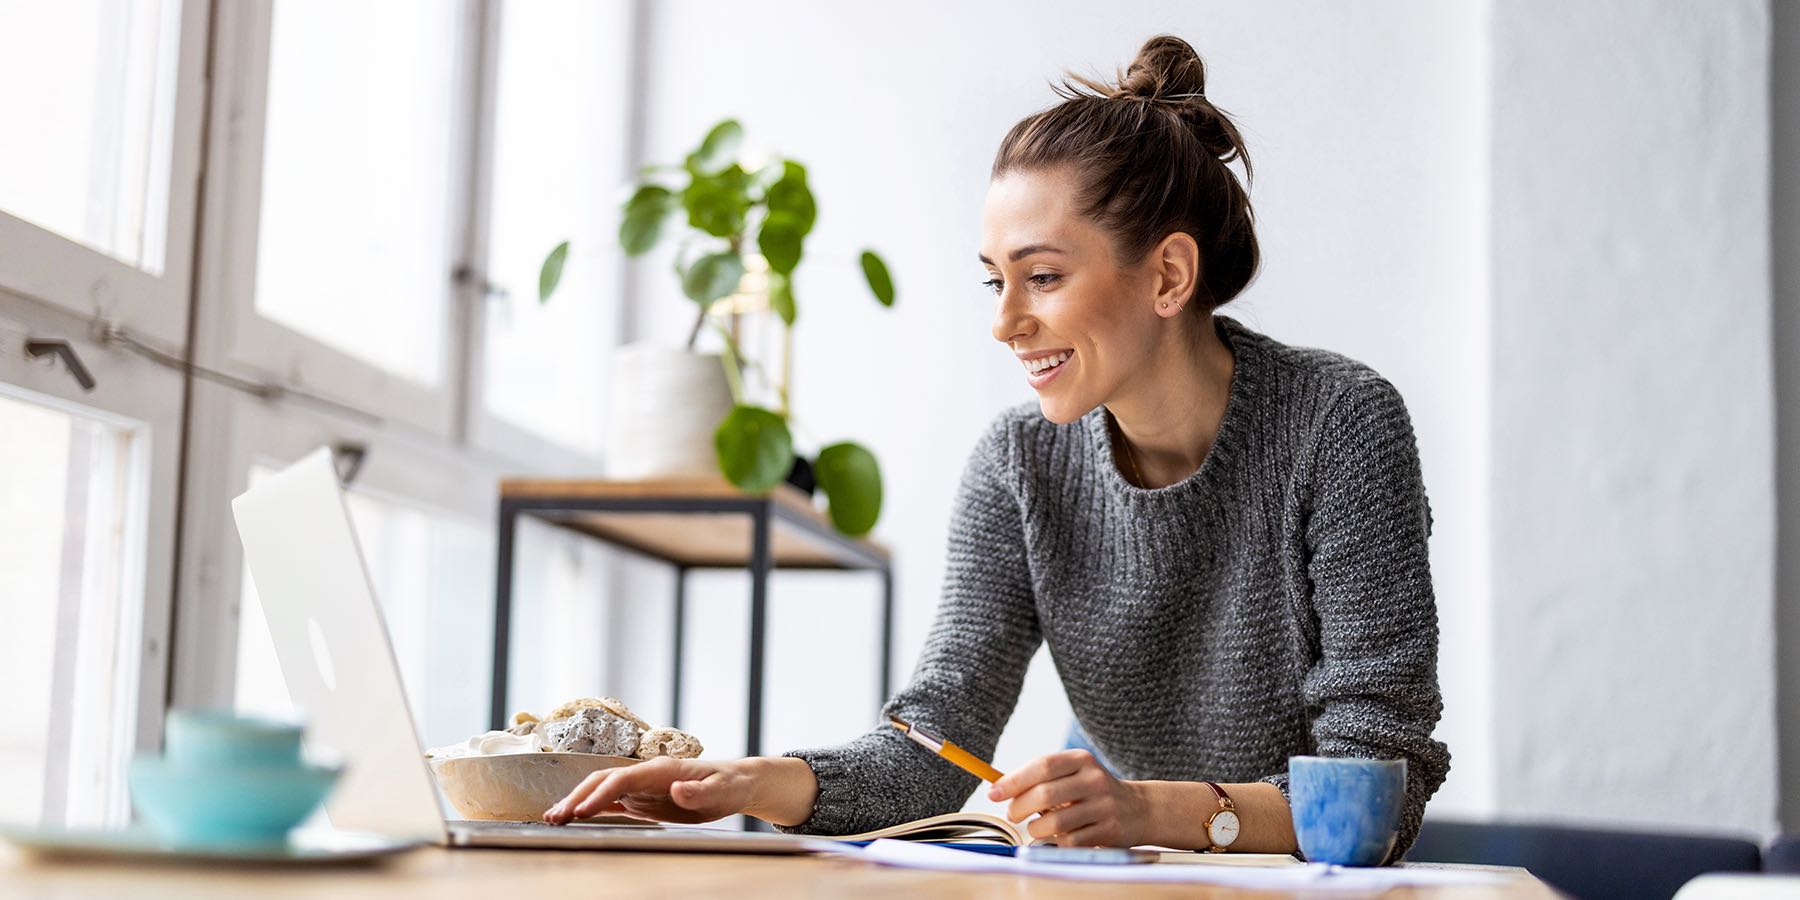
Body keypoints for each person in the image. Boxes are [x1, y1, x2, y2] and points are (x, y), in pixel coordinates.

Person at [544, 33, 1450, 861]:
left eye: (1042, 278)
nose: (1006, 323)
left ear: (1168, 275)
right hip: (1123, 877)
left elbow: (1376, 791)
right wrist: (750, 785)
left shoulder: (1341, 425)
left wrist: (1142, 811)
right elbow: (937, 744)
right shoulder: (1020, 464)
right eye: (994, 282)